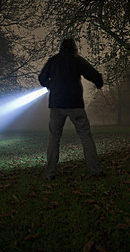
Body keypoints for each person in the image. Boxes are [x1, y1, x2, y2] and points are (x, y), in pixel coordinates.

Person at [38, 38, 104, 180]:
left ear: (61, 47)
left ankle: (50, 173)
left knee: (54, 138)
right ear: (74, 47)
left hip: (56, 105)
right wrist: (99, 82)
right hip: (75, 105)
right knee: (85, 136)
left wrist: (51, 86)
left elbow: (42, 78)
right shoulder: (77, 60)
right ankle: (95, 171)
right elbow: (92, 73)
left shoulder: (53, 60)